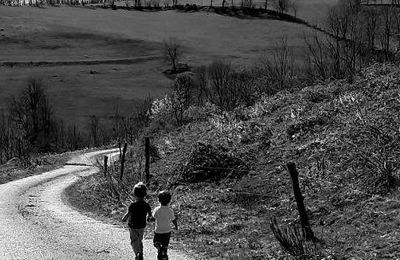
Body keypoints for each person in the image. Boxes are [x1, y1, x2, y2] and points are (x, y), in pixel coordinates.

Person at [122, 182, 152, 260]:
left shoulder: (133, 205)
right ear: (145, 194)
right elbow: (150, 214)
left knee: (134, 241)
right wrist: (149, 218)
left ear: (134, 194)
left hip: (133, 226)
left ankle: (137, 254)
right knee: (139, 240)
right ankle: (141, 253)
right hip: (142, 225)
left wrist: (124, 218)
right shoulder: (146, 205)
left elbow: (128, 213)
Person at [152, 190, 178, 260]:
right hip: (167, 231)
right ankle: (164, 254)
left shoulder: (157, 209)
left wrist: (149, 219)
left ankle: (158, 247)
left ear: (159, 200)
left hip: (158, 231)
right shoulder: (170, 210)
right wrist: (176, 226)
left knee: (155, 242)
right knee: (165, 244)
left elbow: (153, 218)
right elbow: (173, 219)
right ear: (169, 201)